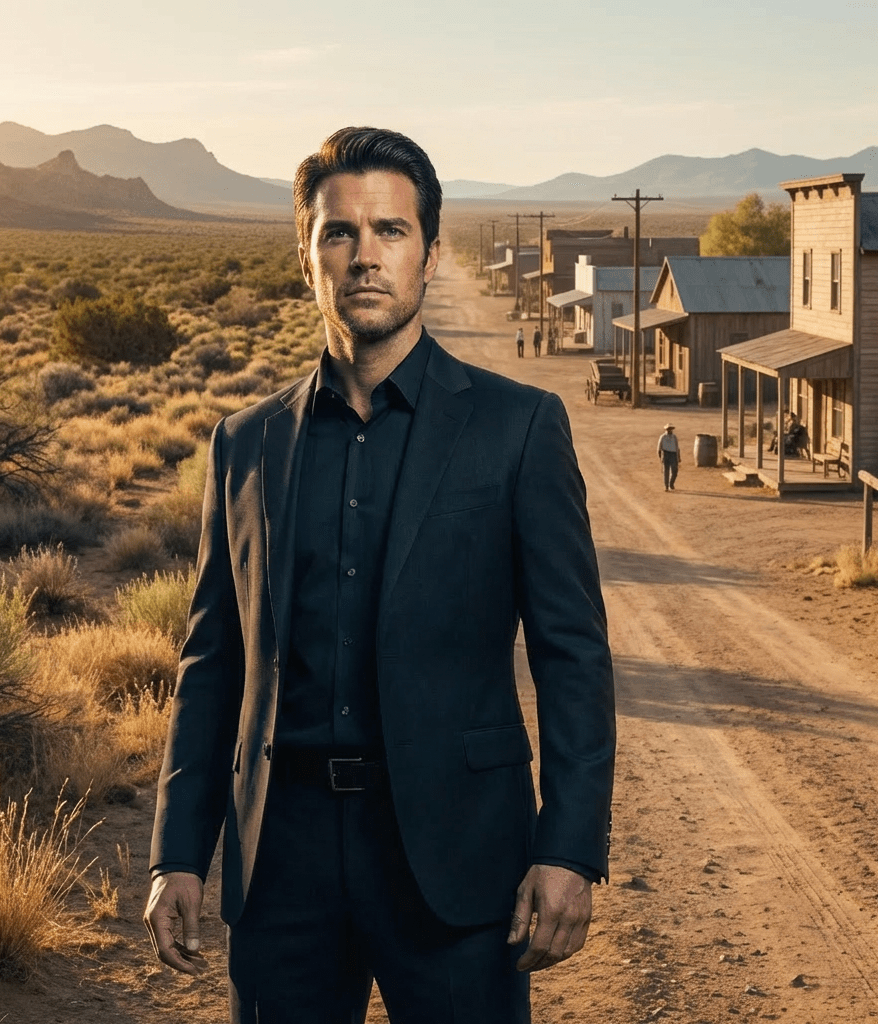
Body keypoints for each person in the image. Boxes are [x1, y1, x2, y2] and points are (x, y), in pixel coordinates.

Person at [144, 126, 616, 1024]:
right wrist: (177, 853)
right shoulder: (244, 445)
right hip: (278, 865)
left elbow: (573, 656)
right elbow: (213, 663)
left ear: (430, 253)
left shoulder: (517, 430)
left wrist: (569, 848)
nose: (366, 256)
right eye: (340, 233)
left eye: (391, 231)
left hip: (457, 858)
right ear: (307, 254)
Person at [658, 422, 680, 490]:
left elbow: (677, 447)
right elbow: (659, 447)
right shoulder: (663, 437)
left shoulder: (674, 437)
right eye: (668, 429)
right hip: (665, 454)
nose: (669, 430)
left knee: (675, 471)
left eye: (670, 429)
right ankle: (666, 486)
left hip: (673, 454)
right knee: (666, 471)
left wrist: (678, 456)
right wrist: (660, 457)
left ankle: (671, 483)